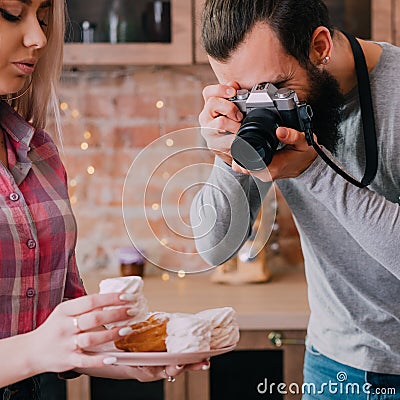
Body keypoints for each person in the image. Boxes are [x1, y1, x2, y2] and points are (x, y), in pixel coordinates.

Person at [192, 0, 400, 398]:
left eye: (273, 91)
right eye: (243, 94)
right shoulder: (259, 97)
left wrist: (313, 172)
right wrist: (228, 155)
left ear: (319, 47)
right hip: (332, 362)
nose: (261, 106)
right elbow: (214, 247)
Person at [0, 0, 208, 397]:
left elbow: (65, 329)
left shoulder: (39, 152)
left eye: (43, 19)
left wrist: (135, 352)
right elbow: (42, 347)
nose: (39, 38)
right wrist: (34, 352)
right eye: (11, 12)